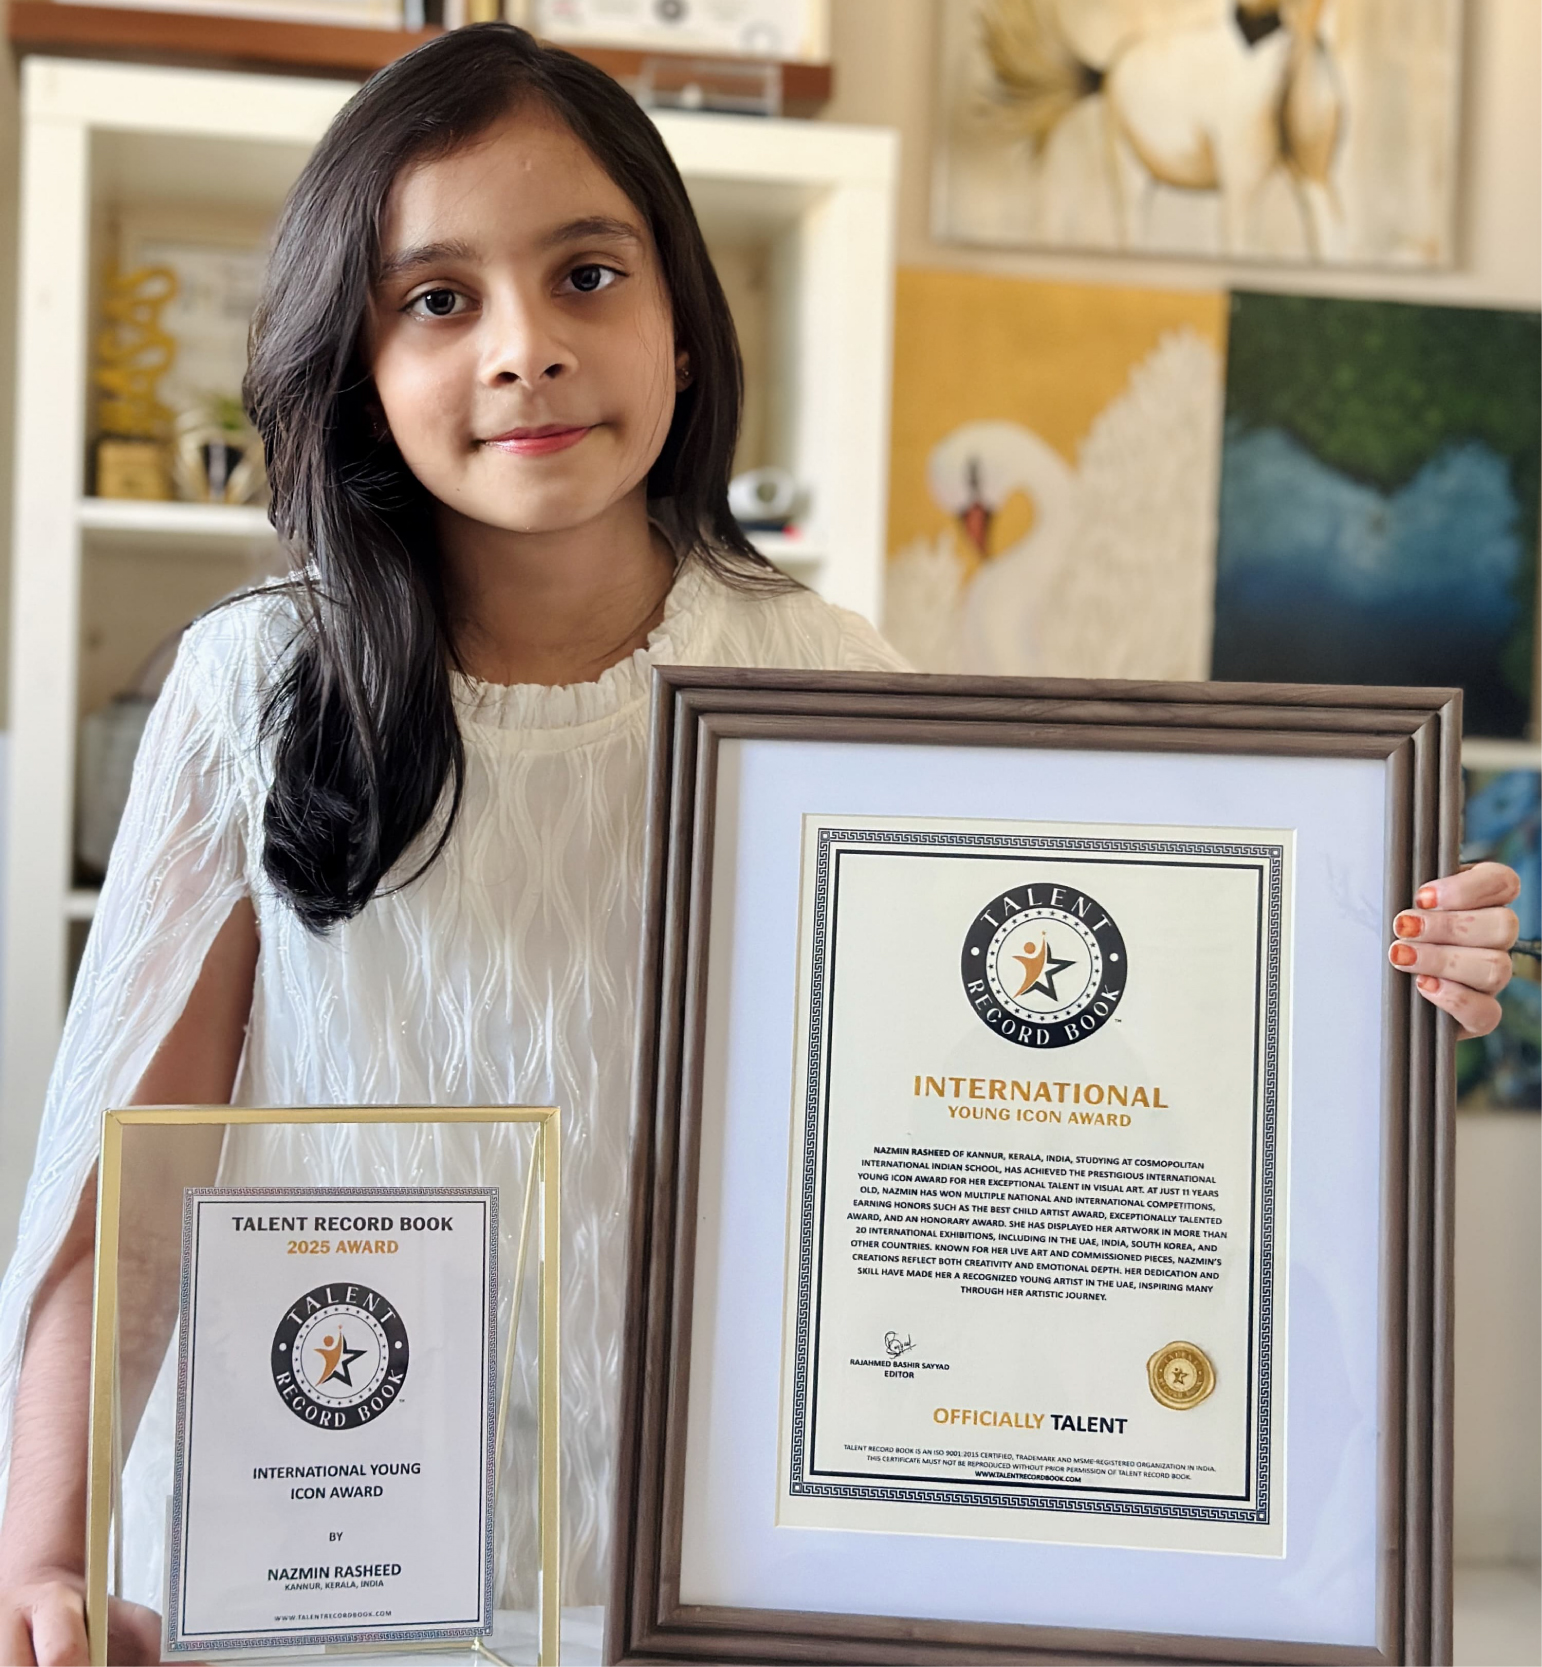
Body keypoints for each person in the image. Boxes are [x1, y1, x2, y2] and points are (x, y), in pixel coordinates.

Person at [0, 23, 1521, 1666]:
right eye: (436, 298)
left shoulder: (828, 685)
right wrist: (46, 1551)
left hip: (715, 1567)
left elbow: (1051, 1085)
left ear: (680, 325)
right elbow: (131, 1186)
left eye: (588, 275)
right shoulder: (251, 685)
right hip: (316, 1560)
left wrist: (1374, 967)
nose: (526, 349)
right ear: (353, 357)